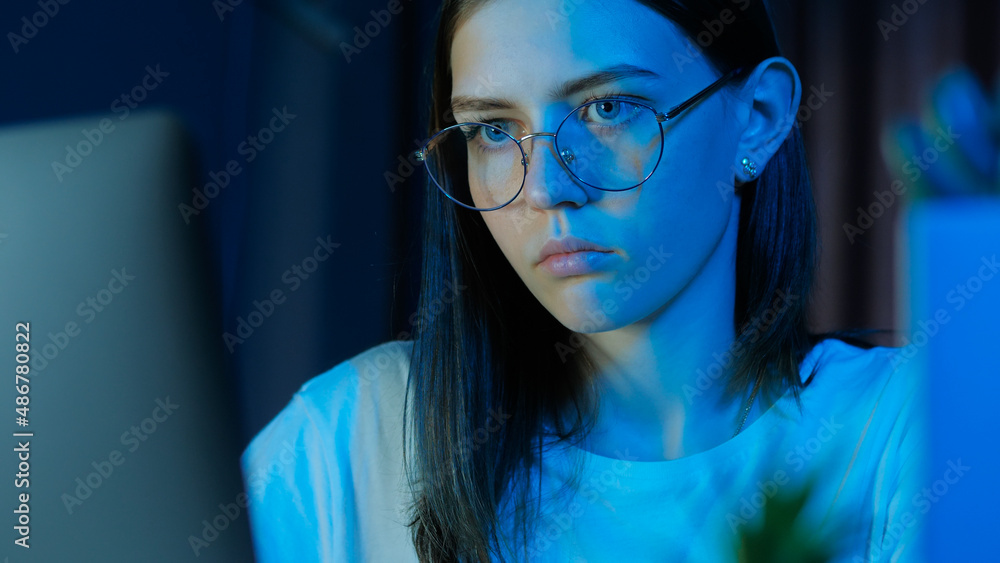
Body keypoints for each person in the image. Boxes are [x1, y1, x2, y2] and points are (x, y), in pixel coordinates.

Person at [241, 0, 927, 561]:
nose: (543, 189)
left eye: (607, 108)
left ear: (759, 117)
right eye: (493, 131)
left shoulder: (907, 425)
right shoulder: (346, 441)